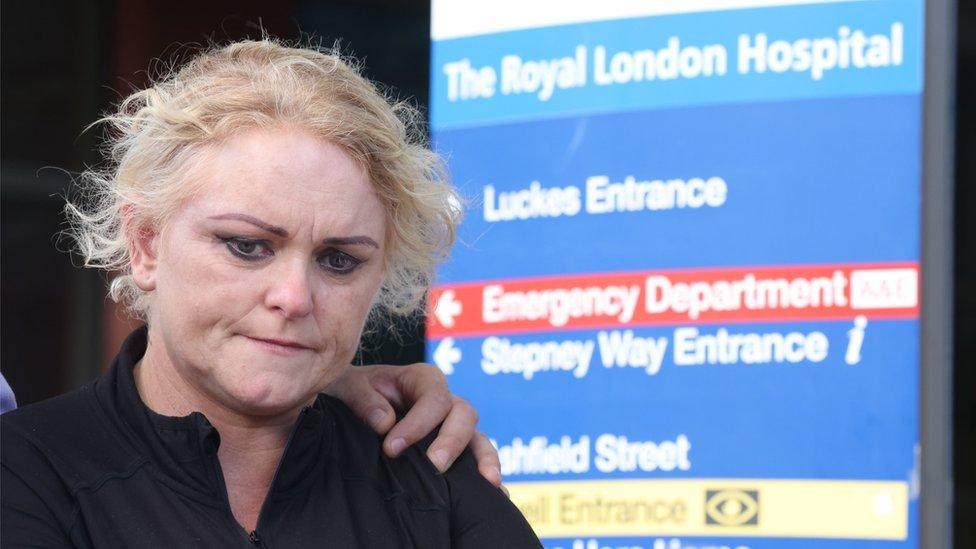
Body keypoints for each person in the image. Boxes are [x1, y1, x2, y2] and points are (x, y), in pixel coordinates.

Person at [0, 39, 540, 547]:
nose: (294, 297)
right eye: (247, 246)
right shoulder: (25, 471)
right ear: (146, 245)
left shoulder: (437, 484)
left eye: (339, 260)